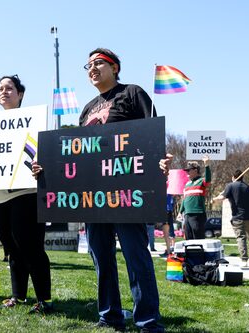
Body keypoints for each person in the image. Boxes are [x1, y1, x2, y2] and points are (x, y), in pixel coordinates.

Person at [47, 48, 170, 332]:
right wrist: (50, 170)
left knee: (135, 255)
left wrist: (158, 161)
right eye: (88, 65)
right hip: (93, 195)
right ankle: (110, 316)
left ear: (115, 68)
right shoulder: (87, 109)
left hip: (126, 191)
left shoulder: (132, 93)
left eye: (99, 63)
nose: (92, 68)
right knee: (101, 257)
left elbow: (150, 135)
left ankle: (148, 321)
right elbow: (76, 154)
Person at [0, 75, 52, 313]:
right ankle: (19, 296)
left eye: (10, 88)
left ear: (20, 94)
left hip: (26, 190)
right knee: (11, 247)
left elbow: (43, 150)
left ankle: (44, 299)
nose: (5, 91)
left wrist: (40, 162)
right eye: (1, 88)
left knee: (30, 246)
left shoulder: (33, 121)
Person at [212, 169, 249, 267]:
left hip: (237, 217)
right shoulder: (248, 187)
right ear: (242, 177)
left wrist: (214, 199)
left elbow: (222, 197)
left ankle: (244, 260)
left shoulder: (230, 186)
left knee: (241, 238)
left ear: (233, 177)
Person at [177, 156, 211, 240]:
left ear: (195, 170)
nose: (187, 172)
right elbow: (184, 199)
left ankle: (199, 253)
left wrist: (206, 165)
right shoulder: (187, 184)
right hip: (187, 215)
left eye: (189, 170)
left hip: (198, 214)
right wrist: (180, 212)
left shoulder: (201, 181)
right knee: (188, 237)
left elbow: (208, 179)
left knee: (198, 237)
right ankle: (190, 253)